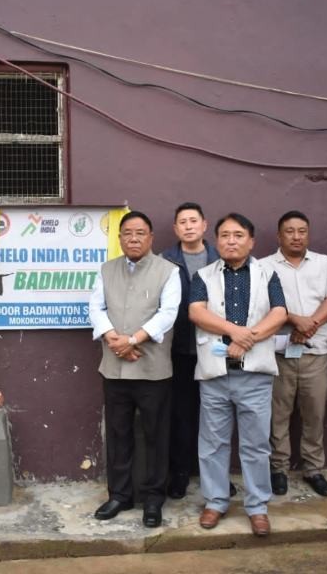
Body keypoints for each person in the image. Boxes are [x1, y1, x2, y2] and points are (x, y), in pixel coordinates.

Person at [189, 213, 287, 537]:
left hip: (255, 375)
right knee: (212, 444)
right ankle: (216, 501)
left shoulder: (268, 272)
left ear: (251, 241)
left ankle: (257, 507)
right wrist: (236, 332)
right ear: (217, 240)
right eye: (226, 235)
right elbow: (196, 312)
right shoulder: (203, 275)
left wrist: (250, 338)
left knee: (256, 445)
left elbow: (279, 313)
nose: (232, 240)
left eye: (239, 235)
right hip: (215, 374)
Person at [88, 210, 180, 528]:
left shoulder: (168, 271)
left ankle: (153, 499)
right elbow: (96, 307)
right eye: (127, 233)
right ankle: (120, 495)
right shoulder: (106, 269)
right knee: (118, 434)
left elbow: (168, 313)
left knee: (156, 435)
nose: (134, 238)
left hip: (152, 369)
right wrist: (114, 338)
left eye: (140, 233)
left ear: (151, 238)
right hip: (114, 368)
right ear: (119, 238)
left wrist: (134, 339)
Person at [259, 211, 327, 497]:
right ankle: (278, 468)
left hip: (315, 355)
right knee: (277, 415)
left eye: (302, 231)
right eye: (290, 231)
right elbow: (262, 306)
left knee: (314, 414)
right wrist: (295, 319)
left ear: (308, 233)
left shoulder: (323, 263)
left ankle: (313, 469)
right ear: (279, 235)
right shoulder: (263, 266)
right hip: (278, 354)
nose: (296, 236)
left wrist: (309, 326)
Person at [160, 202, 219, 499]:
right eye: (182, 222)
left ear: (204, 225)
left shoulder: (221, 256)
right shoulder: (165, 260)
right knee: (181, 415)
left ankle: (217, 476)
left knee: (215, 415)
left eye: (193, 220)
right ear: (175, 228)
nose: (188, 226)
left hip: (217, 348)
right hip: (180, 349)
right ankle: (180, 473)